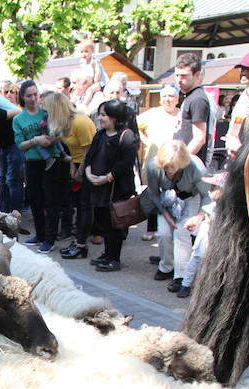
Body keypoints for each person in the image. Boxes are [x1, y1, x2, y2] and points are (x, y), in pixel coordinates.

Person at [145, 140, 210, 293]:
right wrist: (166, 215)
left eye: (173, 167)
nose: (169, 171)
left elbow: (207, 195)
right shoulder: (153, 166)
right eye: (166, 167)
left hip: (189, 198)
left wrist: (199, 217)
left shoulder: (196, 168)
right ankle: (166, 266)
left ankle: (180, 275)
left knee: (182, 234)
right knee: (163, 234)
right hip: (167, 198)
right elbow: (153, 193)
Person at [82, 99, 139, 271]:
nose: (99, 118)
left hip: (116, 189)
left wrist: (107, 177)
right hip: (98, 187)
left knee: (115, 223)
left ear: (115, 117)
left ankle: (114, 257)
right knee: (104, 222)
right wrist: (89, 172)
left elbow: (126, 163)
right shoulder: (100, 134)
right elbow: (90, 155)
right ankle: (107, 254)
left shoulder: (127, 136)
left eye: (103, 115)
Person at [14, 81, 61, 253]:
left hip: (51, 159)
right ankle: (40, 234)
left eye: (36, 94)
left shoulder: (47, 111)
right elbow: (20, 144)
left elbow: (61, 130)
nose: (33, 99)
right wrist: (35, 140)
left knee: (51, 199)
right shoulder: (19, 119)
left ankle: (50, 238)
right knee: (35, 198)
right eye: (29, 96)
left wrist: (53, 139)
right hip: (32, 160)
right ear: (23, 98)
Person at [54, 91, 97, 259]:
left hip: (89, 166)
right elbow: (75, 149)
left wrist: (80, 170)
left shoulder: (80, 122)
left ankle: (81, 244)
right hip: (78, 163)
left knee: (85, 205)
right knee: (79, 204)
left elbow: (89, 150)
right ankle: (79, 241)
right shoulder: (67, 123)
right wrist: (73, 165)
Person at [137, 84, 182, 242]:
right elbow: (136, 126)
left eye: (171, 96)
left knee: (172, 194)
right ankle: (151, 229)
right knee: (152, 193)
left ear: (177, 98)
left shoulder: (181, 115)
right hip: (154, 161)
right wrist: (146, 140)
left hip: (174, 164)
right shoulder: (153, 114)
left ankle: (171, 225)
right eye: (164, 96)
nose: (167, 99)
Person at [173, 53, 214, 166]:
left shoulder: (198, 99)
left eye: (184, 75)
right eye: (177, 75)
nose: (179, 80)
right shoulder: (191, 96)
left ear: (197, 75)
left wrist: (178, 164)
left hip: (188, 167)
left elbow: (199, 139)